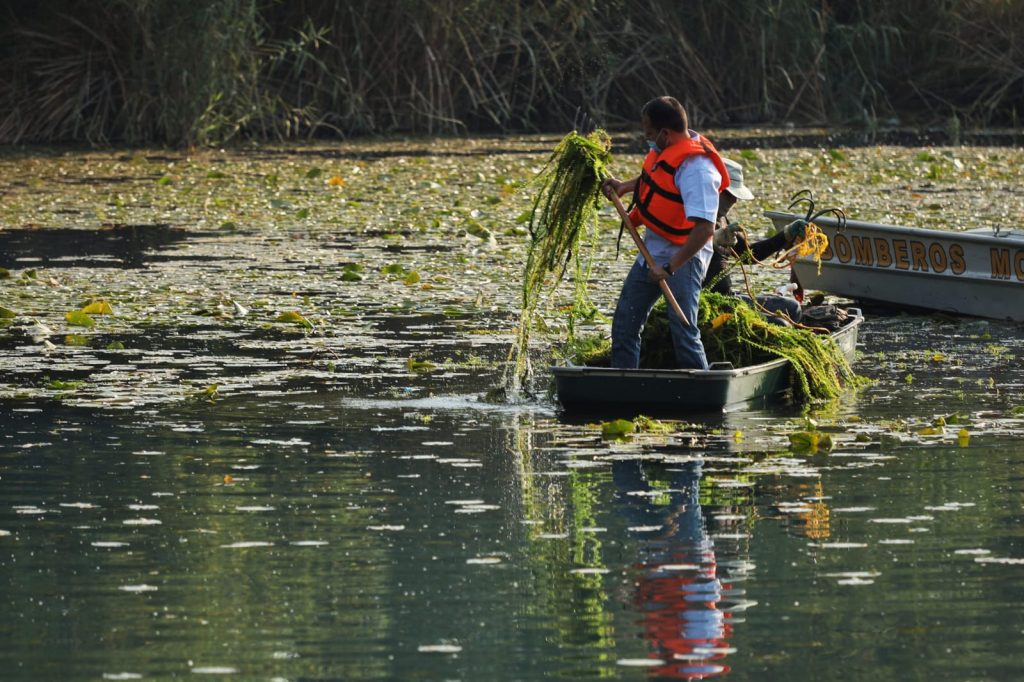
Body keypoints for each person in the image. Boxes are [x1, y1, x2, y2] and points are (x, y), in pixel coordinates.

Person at [601, 96, 729, 370]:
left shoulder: (698, 170)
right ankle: (622, 385)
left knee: (683, 329)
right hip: (653, 252)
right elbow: (659, 178)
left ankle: (701, 392)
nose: (646, 139)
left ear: (665, 133)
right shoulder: (666, 151)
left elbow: (705, 228)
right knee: (625, 323)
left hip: (685, 256)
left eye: (649, 133)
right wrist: (625, 186)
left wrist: (670, 267)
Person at [707, 158, 807, 324]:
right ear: (714, 188)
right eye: (729, 194)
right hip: (711, 303)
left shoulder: (722, 219)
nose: (734, 201)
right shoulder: (694, 220)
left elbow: (749, 255)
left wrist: (785, 235)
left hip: (729, 298)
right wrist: (712, 239)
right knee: (781, 323)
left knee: (793, 307)